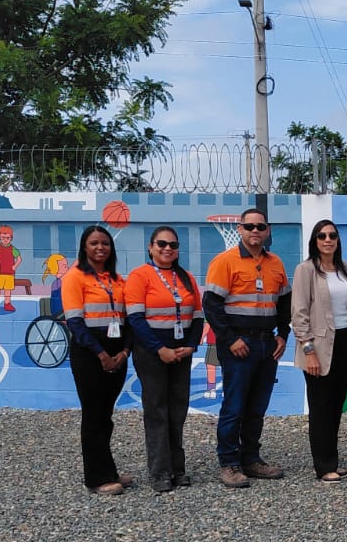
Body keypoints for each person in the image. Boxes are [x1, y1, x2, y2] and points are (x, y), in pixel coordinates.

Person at [203, 208, 291, 488]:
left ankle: (251, 459)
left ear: (267, 231)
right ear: (239, 229)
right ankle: (229, 463)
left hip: (267, 343)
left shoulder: (276, 263)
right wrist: (230, 340)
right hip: (239, 344)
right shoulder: (225, 261)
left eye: (260, 226)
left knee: (257, 406)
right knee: (234, 406)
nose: (255, 231)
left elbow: (285, 304)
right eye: (249, 226)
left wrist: (283, 335)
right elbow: (212, 306)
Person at [124, 226, 202, 492]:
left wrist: (191, 345)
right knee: (157, 410)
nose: (167, 249)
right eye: (161, 244)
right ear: (150, 247)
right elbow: (135, 319)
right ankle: (159, 472)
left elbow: (198, 317)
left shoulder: (187, 277)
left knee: (178, 410)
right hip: (151, 352)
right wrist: (160, 349)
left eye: (173, 245)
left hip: (181, 351)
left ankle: (178, 469)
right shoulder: (139, 276)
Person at [291, 218, 347, 483]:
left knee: (336, 405)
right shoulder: (306, 270)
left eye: (332, 235)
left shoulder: (343, 268)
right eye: (322, 236)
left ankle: (332, 458)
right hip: (319, 346)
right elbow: (299, 313)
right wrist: (308, 350)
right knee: (321, 406)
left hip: (344, 342)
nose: (327, 240)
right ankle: (323, 466)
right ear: (314, 240)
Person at [61, 225, 133, 495]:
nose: (100, 247)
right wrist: (101, 355)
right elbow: (76, 324)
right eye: (94, 243)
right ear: (84, 247)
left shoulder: (117, 279)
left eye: (105, 243)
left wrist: (124, 352)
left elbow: (128, 321)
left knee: (106, 416)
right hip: (90, 354)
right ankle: (96, 478)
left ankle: (109, 470)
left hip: (117, 353)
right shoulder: (75, 277)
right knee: (93, 416)